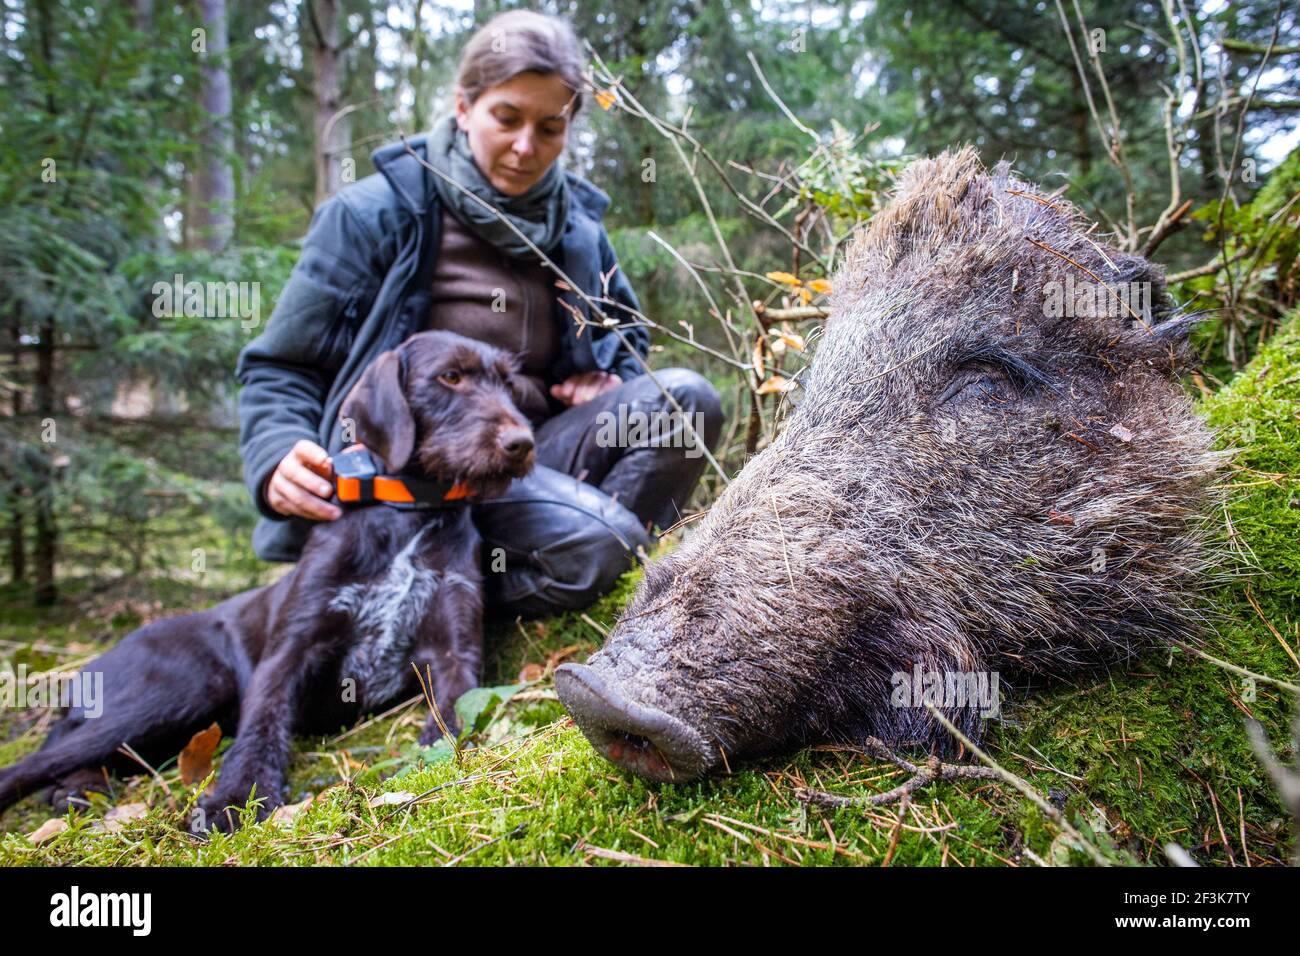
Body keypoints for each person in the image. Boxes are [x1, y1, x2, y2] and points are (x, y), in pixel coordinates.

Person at [235, 10, 723, 617]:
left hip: (524, 457)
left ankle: (574, 571)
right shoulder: (375, 214)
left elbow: (623, 336)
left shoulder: (577, 230)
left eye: (550, 127)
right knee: (603, 545)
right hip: (405, 478)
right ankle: (465, 597)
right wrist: (278, 451)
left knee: (683, 403)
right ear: (465, 108)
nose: (526, 146)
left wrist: (610, 374)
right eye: (507, 118)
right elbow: (280, 366)